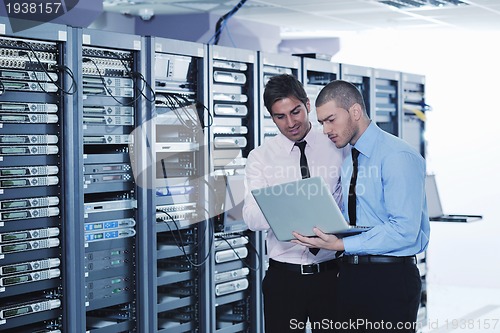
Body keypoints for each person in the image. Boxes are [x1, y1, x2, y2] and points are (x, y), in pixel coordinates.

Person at [293, 79, 430, 332]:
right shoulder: (348, 159)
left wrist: (342, 244)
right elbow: (359, 218)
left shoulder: (397, 156)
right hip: (350, 276)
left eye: (331, 119)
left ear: (355, 112)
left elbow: (404, 229)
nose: (325, 130)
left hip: (390, 280)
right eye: (322, 122)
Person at [243, 74, 348, 332]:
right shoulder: (260, 158)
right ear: (271, 117)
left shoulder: (337, 146)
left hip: (332, 275)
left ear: (308, 105)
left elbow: (351, 205)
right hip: (284, 280)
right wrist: (292, 204)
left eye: (295, 111)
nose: (290, 123)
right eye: (280, 116)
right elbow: (251, 217)